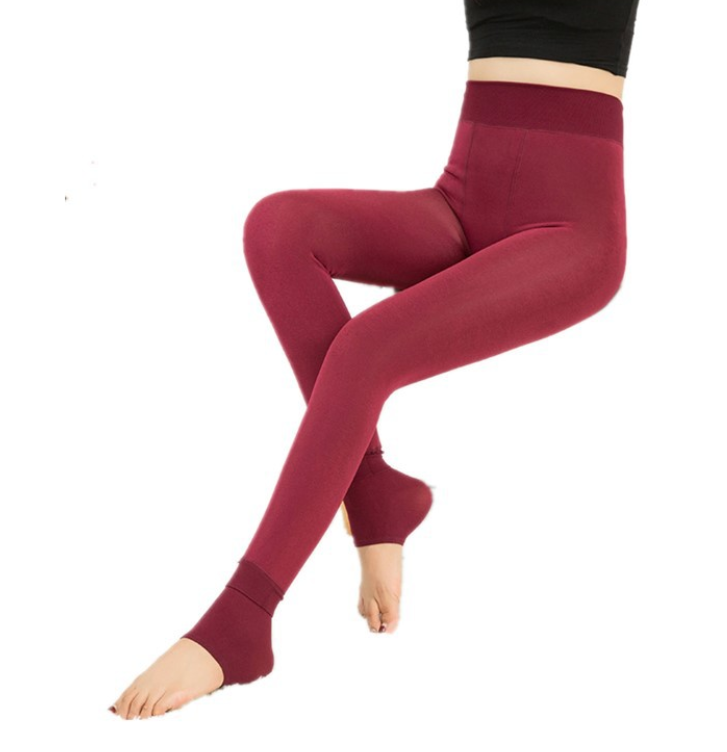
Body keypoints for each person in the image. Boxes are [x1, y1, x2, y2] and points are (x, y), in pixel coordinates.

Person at [109, 0, 642, 719]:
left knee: (368, 348)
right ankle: (371, 491)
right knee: (280, 226)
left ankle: (244, 616)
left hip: (570, 231)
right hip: (463, 200)